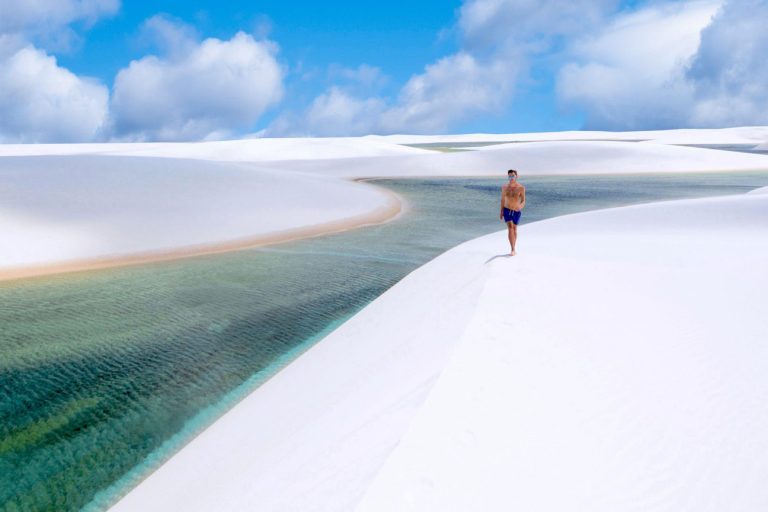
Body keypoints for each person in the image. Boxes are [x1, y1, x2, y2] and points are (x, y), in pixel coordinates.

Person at [499, 169, 525, 255]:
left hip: (516, 211)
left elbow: (523, 200)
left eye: (513, 176)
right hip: (507, 209)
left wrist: (520, 206)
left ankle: (514, 246)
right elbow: (502, 200)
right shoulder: (504, 187)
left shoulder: (521, 188)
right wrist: (501, 211)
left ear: (516, 176)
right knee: (510, 227)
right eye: (509, 176)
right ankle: (512, 249)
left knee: (515, 229)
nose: (511, 177)